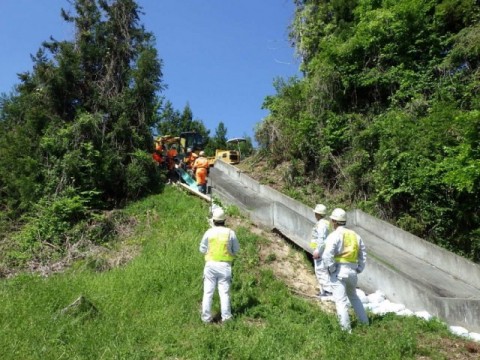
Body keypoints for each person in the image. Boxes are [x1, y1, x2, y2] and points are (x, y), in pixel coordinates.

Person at [322, 208, 369, 332]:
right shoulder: (355, 235)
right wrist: (359, 268)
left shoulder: (335, 235)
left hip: (339, 271)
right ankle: (365, 323)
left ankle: (346, 331)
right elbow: (363, 253)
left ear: (335, 221)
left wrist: (332, 268)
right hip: (352, 271)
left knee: (341, 301)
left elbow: (327, 254)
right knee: (354, 297)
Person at [199, 207, 240, 323]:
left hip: (210, 266)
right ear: (224, 220)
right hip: (225, 266)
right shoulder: (230, 233)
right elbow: (236, 249)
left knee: (208, 292)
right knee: (224, 293)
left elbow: (202, 249)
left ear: (213, 220)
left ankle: (206, 318)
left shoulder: (209, 232)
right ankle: (226, 318)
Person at [310, 204, 332, 298]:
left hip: (321, 251)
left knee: (320, 270)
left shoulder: (322, 224)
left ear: (318, 214)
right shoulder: (326, 223)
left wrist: (317, 251)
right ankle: (324, 291)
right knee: (322, 270)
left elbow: (321, 239)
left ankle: (328, 291)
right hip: (323, 250)